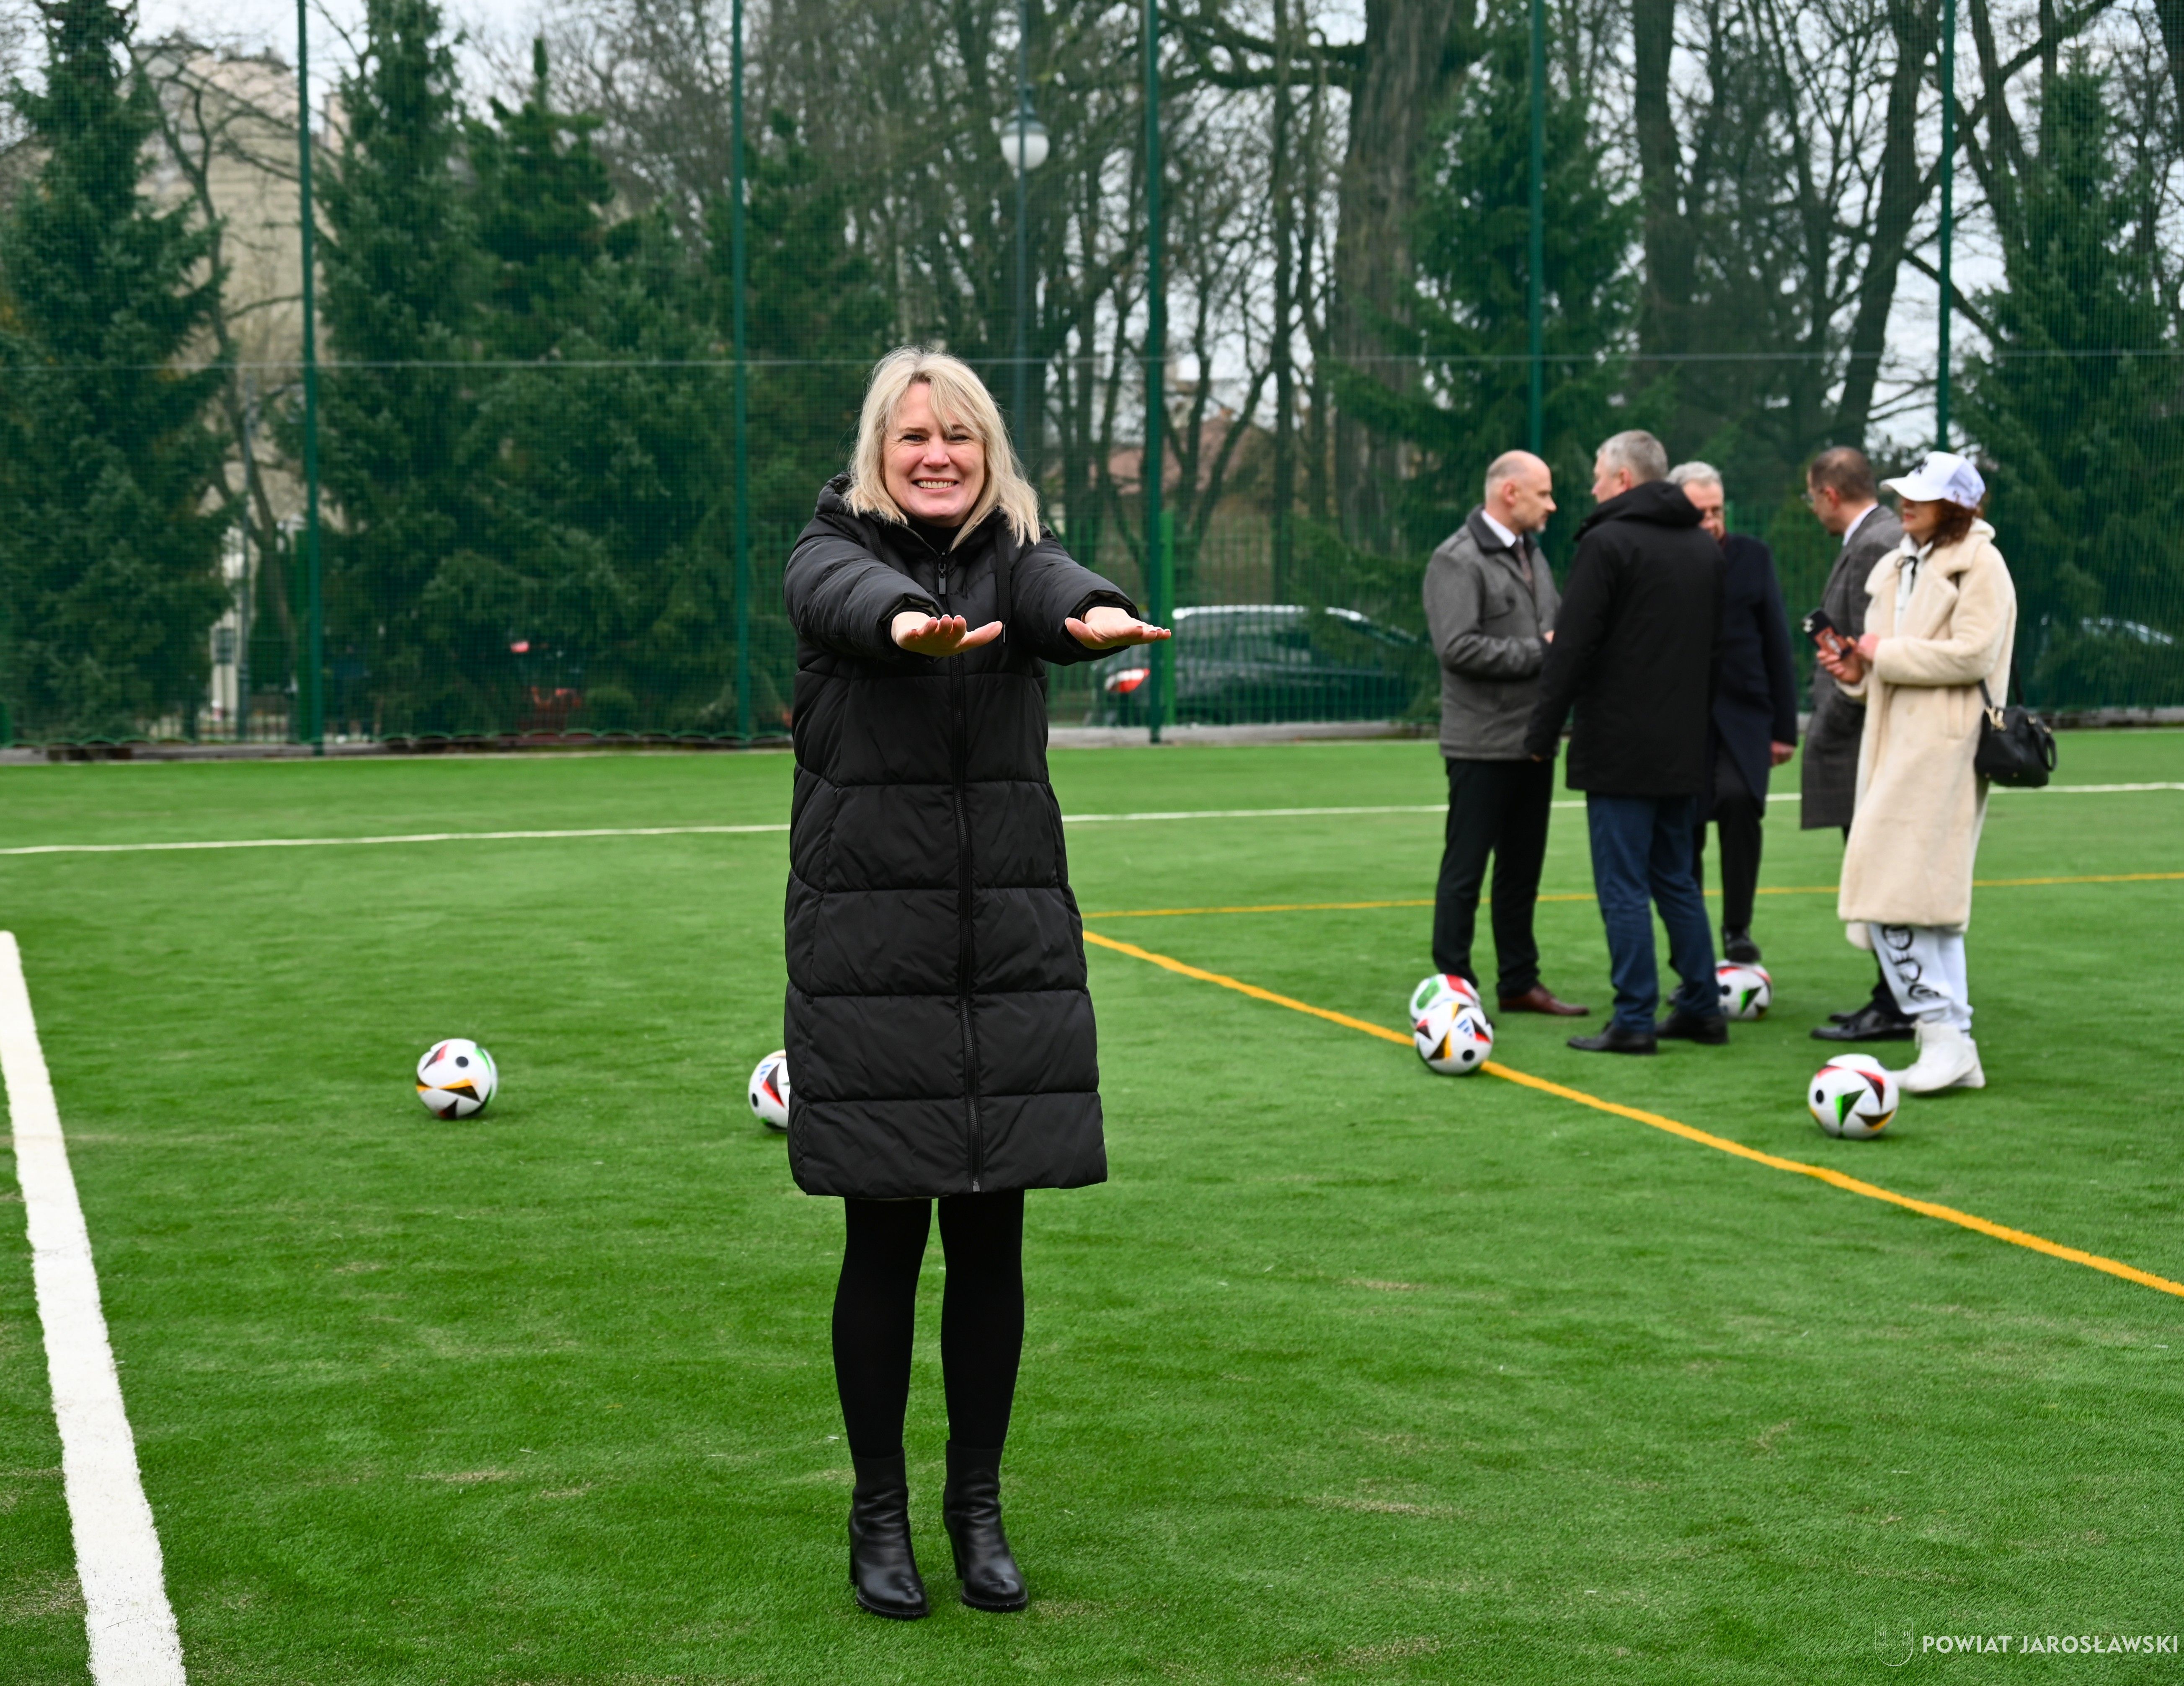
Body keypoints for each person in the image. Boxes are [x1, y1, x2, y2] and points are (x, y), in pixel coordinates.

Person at [780, 347, 1169, 1619]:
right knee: (884, 1240)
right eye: (913, 437)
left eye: (957, 435)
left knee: (993, 1237)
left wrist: (1092, 611)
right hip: (872, 961)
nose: (936, 454)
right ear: (877, 453)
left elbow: (1050, 586)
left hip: (1006, 950)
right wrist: (907, 624)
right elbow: (847, 595)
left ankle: (977, 1508)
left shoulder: (1017, 554)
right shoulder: (828, 551)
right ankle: (877, 1513)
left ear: (987, 450)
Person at [1816, 450, 2015, 1094]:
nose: (1905, 503)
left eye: (1921, 496)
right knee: (1916, 902)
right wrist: (1855, 673)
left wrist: (1887, 653)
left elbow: (1974, 654)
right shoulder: (1898, 562)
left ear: (1954, 507)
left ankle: (1942, 1035)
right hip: (1891, 748)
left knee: (1901, 899)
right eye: (1905, 492)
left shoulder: (1981, 565)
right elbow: (1884, 667)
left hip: (1941, 751)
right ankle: (1951, 1042)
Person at [1524, 430, 1727, 1055]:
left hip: (1618, 745)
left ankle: (1634, 1017)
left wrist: (1541, 732)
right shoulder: (1703, 548)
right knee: (1676, 878)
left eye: (1596, 474)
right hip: (1681, 744)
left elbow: (1573, 647)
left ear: (1623, 479)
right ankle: (1701, 1006)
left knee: (1622, 885)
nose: (1589, 488)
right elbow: (1714, 652)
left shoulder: (1606, 543)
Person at [1422, 450, 1589, 1017]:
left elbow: (1556, 627)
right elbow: (1457, 648)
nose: (1553, 505)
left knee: (1521, 872)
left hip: (1534, 741)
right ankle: (1455, 986)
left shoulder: (1531, 553)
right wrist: (1542, 650)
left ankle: (1519, 981)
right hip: (1481, 743)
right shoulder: (1456, 559)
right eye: (1544, 494)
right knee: (1465, 870)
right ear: (1509, 493)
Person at [1800, 447, 1916, 1045]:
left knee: (1884, 878)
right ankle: (1892, 994)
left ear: (1829, 494)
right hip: (1860, 734)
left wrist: (1835, 716)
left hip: (1865, 739)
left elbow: (1871, 651)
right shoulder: (1875, 537)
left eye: (1810, 497)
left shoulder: (1877, 543)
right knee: (1877, 875)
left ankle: (1898, 1001)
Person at [1668, 463, 1799, 965]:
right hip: (1681, 721)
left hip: (1746, 717)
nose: (1711, 521)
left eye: (1717, 511)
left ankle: (1737, 929)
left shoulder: (1753, 556)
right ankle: (1692, 947)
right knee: (1685, 827)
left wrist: (1784, 730)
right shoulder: (1663, 559)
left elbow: (1777, 643)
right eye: (1700, 512)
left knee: (1740, 801)